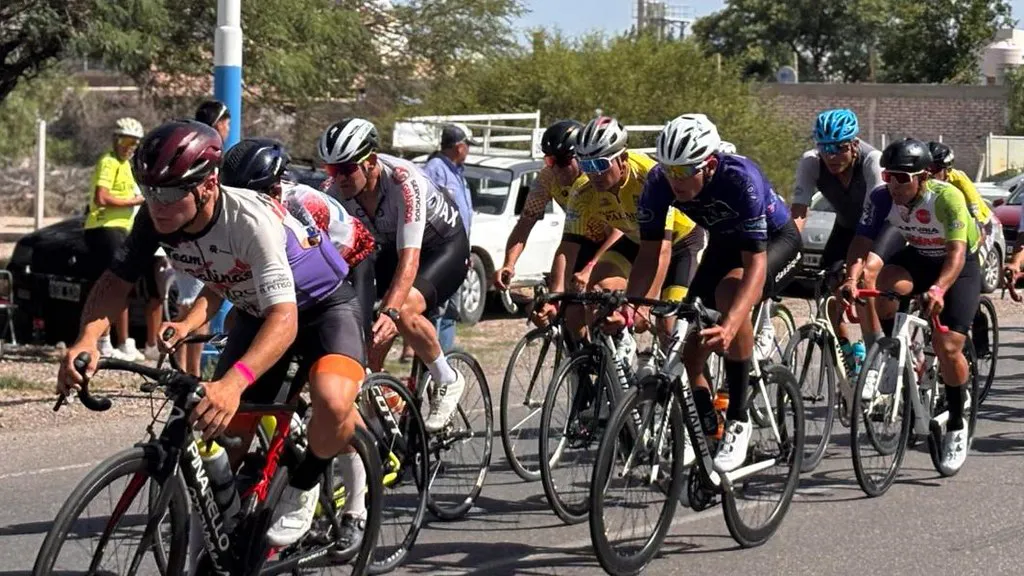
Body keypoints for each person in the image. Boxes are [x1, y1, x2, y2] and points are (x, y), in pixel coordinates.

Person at [57, 120, 370, 551]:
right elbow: (116, 281)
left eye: (168, 193)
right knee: (219, 432)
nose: (156, 204)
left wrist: (234, 382)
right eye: (148, 191)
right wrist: (87, 339)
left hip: (322, 308)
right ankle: (223, 543)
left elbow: (286, 318)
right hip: (255, 312)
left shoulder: (250, 220)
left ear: (207, 185)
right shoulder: (159, 214)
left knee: (331, 401)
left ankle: (305, 482)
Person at [632, 113, 802, 472]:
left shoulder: (741, 179)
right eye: (667, 169)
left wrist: (730, 324)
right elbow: (648, 252)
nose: (673, 179)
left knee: (730, 297)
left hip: (774, 243)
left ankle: (739, 419)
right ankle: (708, 429)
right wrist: (631, 305)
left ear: (708, 165)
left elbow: (755, 264)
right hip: (725, 243)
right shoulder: (659, 181)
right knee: (685, 341)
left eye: (682, 171)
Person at [319, 117, 469, 432]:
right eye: (333, 170)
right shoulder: (333, 193)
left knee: (403, 310)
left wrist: (390, 309)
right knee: (364, 339)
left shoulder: (404, 181)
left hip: (442, 248)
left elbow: (410, 259)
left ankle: (447, 378)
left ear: (370, 161)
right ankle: (388, 401)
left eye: (346, 169)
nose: (339, 179)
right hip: (390, 249)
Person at [840, 138, 980, 474]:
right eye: (889, 176)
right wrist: (850, 278)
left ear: (922, 177)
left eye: (903, 178)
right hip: (918, 256)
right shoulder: (881, 197)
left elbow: (957, 254)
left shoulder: (946, 197)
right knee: (880, 286)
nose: (894, 185)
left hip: (956, 266)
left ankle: (957, 425)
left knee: (947, 345)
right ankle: (891, 355)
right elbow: (861, 242)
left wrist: (938, 289)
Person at [547, 115, 704, 344]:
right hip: (635, 239)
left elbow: (662, 250)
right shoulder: (583, 192)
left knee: (668, 326)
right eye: (586, 165)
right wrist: (555, 296)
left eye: (600, 164)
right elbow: (568, 247)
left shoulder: (651, 179)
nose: (594, 174)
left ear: (622, 158)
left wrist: (643, 306)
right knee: (596, 296)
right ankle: (609, 363)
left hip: (680, 242)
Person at [220, 137, 376, 335]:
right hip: (304, 263)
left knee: (353, 333)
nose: (242, 206)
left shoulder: (304, 204)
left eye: (249, 198)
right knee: (233, 322)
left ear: (274, 190)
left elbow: (313, 268)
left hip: (352, 259)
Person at [791, 109, 900, 372]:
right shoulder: (812, 162)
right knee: (827, 284)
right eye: (824, 148)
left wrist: (854, 269)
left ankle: (877, 354)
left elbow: (871, 220)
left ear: (854, 144)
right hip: (846, 226)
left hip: (884, 226)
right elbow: (797, 215)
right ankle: (848, 351)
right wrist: (786, 250)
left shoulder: (872, 160)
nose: (831, 156)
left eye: (838, 148)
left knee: (862, 279)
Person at [494, 119, 612, 339]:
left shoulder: (594, 178)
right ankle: (582, 364)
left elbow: (620, 228)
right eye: (550, 160)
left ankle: (617, 340)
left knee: (599, 300)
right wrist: (509, 263)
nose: (557, 167)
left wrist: (590, 268)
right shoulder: (547, 177)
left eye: (564, 160)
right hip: (580, 239)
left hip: (612, 241)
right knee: (569, 310)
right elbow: (525, 224)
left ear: (579, 156)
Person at [84, 117, 147, 361]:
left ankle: (119, 341)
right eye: (124, 140)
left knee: (121, 286)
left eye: (134, 142)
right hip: (105, 227)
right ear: (115, 140)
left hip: (121, 229)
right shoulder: (109, 162)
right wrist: (135, 201)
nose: (128, 146)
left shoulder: (126, 166)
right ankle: (108, 340)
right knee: (116, 286)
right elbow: (102, 198)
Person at [422, 124, 476, 353]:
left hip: (458, 252)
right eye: (468, 145)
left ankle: (446, 359)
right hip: (441, 252)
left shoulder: (458, 171)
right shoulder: (435, 169)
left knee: (451, 310)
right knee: (438, 310)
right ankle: (432, 365)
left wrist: (466, 250)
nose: (469, 150)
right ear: (459, 146)